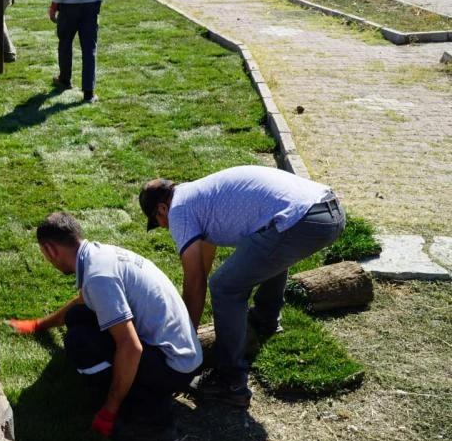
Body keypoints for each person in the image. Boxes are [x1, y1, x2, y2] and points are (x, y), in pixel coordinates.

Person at [138, 165, 346, 408]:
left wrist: (185, 338)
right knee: (267, 246)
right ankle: (264, 321)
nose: (165, 227)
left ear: (162, 209)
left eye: (159, 222)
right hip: (329, 209)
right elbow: (201, 267)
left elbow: (195, 282)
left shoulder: (179, 211)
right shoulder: (196, 196)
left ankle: (231, 381)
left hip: (303, 221)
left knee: (225, 287)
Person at [8, 212, 202, 441]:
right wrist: (41, 325)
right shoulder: (99, 255)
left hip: (174, 365)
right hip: (182, 352)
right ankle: (142, 392)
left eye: (44, 254)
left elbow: (131, 347)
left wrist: (109, 411)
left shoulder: (99, 277)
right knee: (78, 316)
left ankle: (151, 416)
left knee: (79, 342)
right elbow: (82, 301)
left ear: (50, 250)